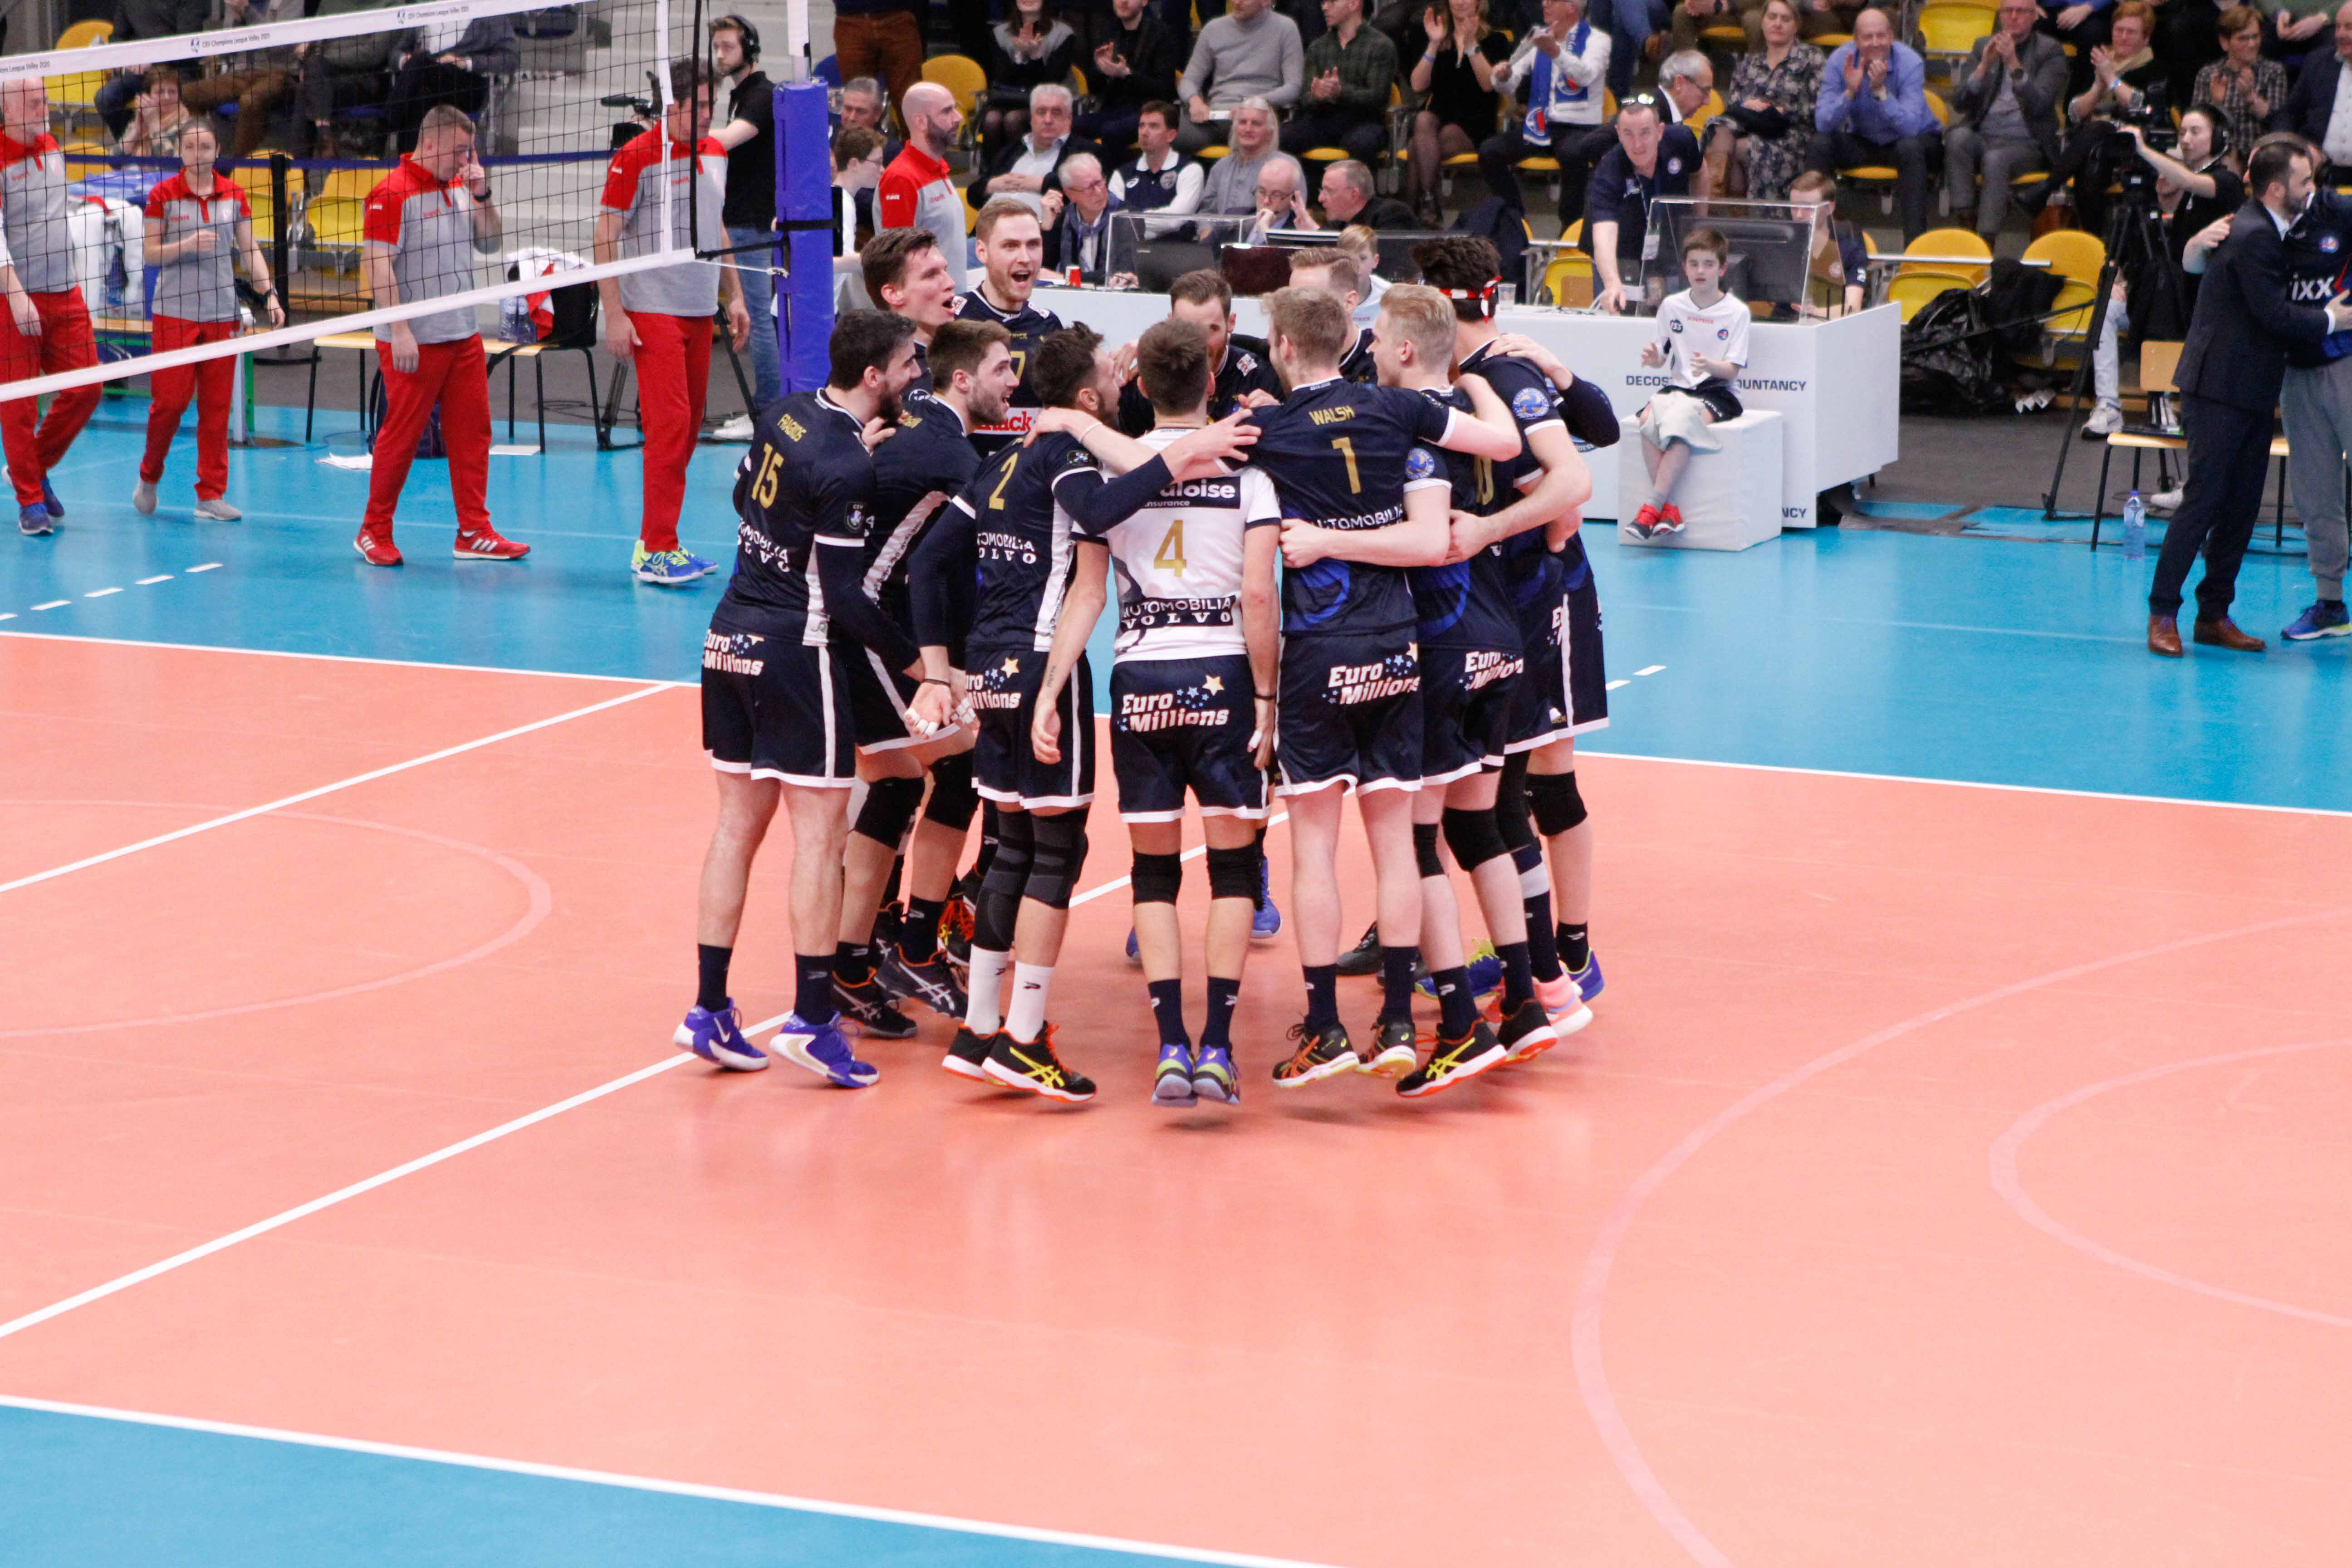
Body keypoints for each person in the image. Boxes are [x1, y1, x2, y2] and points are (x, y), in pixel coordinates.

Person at [906, 327, 1259, 1100]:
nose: (1121, 377)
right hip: (1043, 666)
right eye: (1109, 372)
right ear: (1090, 396)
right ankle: (1023, 1038)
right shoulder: (1066, 455)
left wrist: (939, 668)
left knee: (1009, 848)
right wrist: (1185, 451)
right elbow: (1098, 510)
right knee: (1054, 854)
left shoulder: (1002, 460)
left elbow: (929, 560)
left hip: (988, 668)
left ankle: (979, 1027)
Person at [1244, 285, 1523, 1086]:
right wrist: (1476, 378)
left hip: (1317, 650)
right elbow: (1501, 446)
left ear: (1283, 347)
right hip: (1397, 647)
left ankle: (1325, 1027)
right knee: (1397, 841)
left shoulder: (1268, 431)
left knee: (1314, 847)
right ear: (1349, 341)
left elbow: (1165, 460)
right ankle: (1399, 1018)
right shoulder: (1396, 409)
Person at [675, 311, 926, 1088]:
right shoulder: (848, 468)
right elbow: (847, 601)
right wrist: (920, 665)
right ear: (874, 377)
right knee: (820, 839)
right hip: (798, 650)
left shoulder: (783, 413)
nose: (916, 375)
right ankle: (815, 1023)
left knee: (734, 827)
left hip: (728, 637)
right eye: (907, 364)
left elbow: (741, 498)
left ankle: (708, 1009)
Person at [1034, 318, 1281, 1105]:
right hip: (1223, 676)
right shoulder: (1246, 476)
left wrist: (1050, 688)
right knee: (1234, 867)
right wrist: (1268, 700)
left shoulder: (1117, 479)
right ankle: (1218, 1048)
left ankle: (1171, 1043)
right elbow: (1257, 598)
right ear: (1211, 382)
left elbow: (1087, 593)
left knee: (1153, 872)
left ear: (1139, 386)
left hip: (1139, 678)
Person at [1373, 284, 1576, 1091]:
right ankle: (1525, 1000)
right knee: (1478, 825)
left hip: (1442, 642)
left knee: (1419, 837)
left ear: (1403, 349)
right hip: (1501, 636)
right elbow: (1558, 499)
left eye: (1377, 336)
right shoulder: (1482, 413)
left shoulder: (1407, 425)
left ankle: (1459, 1023)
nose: (1369, 349)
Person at [1410, 235, 1614, 1024]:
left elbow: (1572, 484)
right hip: (1503, 599)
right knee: (1507, 787)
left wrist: (1488, 531)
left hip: (1542, 596)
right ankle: (1528, 954)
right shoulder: (1468, 376)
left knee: (1539, 785)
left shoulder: (1502, 376)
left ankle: (1567, 956)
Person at [827, 321, 1018, 1039]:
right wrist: (937, 666)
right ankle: (906, 948)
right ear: (961, 380)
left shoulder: (914, 426)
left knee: (904, 781)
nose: (1014, 383)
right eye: (1002, 370)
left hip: (862, 620)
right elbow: (981, 545)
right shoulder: (949, 453)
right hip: (864, 627)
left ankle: (862, 959)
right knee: (952, 770)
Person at [2149, 137, 2352, 656]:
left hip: (2255, 390)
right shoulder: (2254, 234)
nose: (2312, 190)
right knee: (2203, 502)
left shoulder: (2269, 226)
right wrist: (2333, 318)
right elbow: (2274, 315)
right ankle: (2163, 613)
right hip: (2219, 390)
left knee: (2240, 509)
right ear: (2278, 188)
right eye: (2304, 182)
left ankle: (2214, 614)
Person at [597, 62, 754, 588]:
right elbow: (605, 236)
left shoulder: (714, 152)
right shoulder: (637, 156)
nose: (708, 116)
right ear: (671, 107)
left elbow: (718, 225)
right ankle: (657, 549)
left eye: (712, 105)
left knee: (687, 430)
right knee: (669, 426)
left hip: (699, 307)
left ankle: (656, 540)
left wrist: (735, 295)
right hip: (651, 308)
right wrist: (614, 313)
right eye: (698, 107)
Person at [353, 104, 523, 567]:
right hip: (414, 338)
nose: (466, 159)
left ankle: (474, 532)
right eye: (459, 151)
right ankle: (373, 530)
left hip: (462, 334)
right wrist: (401, 330)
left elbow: (491, 243)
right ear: (429, 144)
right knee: (401, 437)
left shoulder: (460, 186)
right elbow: (377, 265)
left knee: (473, 433)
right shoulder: (391, 193)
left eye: (471, 151)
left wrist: (483, 194)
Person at [133, 118, 282, 523]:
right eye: (190, 147)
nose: (197, 154)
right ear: (180, 152)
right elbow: (150, 253)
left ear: (217, 152)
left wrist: (269, 293)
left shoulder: (234, 194)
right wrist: (186, 244)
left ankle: (211, 495)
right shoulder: (163, 194)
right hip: (175, 311)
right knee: (170, 404)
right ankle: (149, 477)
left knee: (216, 408)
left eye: (205, 147)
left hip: (221, 311)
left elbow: (250, 250)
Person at [2083, 107, 2241, 435]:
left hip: (2205, 303)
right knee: (2109, 307)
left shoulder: (2225, 182)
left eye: (2195, 132)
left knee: (2165, 276)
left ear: (2219, 138)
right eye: (2182, 132)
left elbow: (2191, 181)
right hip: (2165, 300)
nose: (2186, 139)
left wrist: (2143, 150)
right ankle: (2108, 406)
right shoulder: (2158, 206)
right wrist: (2119, 280)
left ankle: (2162, 397)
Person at [0, 78, 99, 538]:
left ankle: (33, 467)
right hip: (15, 297)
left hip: (64, 290)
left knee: (87, 387)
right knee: (19, 404)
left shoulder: (54, 147)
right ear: (7, 109)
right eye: (32, 102)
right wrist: (16, 294)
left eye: (43, 100)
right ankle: (30, 500)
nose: (43, 108)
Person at [2266, 132, 2352, 640]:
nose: (2307, 184)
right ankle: (2331, 604)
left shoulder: (2337, 212)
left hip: (2347, 364)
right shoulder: (2264, 226)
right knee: (2316, 495)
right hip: (2297, 373)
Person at [1629, 226, 1747, 539]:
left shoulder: (1737, 312)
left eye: (1709, 264)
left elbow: (1732, 370)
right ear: (1684, 268)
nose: (1700, 271)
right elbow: (1662, 355)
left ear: (1723, 269)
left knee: (1682, 423)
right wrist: (1653, 357)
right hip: (1680, 388)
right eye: (1694, 264)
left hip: (1718, 391)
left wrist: (1709, 366)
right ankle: (1670, 512)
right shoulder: (1672, 306)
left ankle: (1652, 508)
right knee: (1647, 419)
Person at [2023, 0, 2167, 233]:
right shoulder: (2098, 63)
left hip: (2134, 146)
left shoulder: (2155, 68)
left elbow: (2144, 107)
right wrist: (2098, 87)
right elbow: (2074, 114)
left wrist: (2112, 80)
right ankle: (2094, 239)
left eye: (2131, 32)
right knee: (2091, 166)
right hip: (2095, 149)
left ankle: (2047, 186)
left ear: (2145, 39)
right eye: (2119, 30)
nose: (2123, 37)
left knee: (2098, 129)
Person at [1808, 9, 1940, 242]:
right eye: (1868, 37)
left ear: (1891, 36)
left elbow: (1910, 128)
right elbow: (1823, 123)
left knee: (1909, 148)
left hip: (1914, 141)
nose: (1875, 42)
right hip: (1864, 140)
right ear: (1856, 40)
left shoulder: (1910, 62)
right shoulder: (1840, 61)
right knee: (1820, 144)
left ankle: (1915, 247)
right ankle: (1817, 240)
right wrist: (1850, 92)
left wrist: (1880, 92)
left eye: (1881, 36)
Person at [1943, 0, 2066, 241]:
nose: (2014, 16)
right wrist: (1982, 68)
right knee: (1957, 138)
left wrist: (2013, 64)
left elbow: (2040, 106)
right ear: (2000, 15)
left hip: (2027, 144)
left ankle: (1986, 240)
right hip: (1984, 136)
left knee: (1996, 158)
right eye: (2008, 11)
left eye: (2022, 11)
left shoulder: (2050, 51)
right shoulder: (1983, 46)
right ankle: (1966, 224)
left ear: (2035, 16)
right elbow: (1959, 103)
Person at [1480, 0, 1612, 226]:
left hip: (1579, 127)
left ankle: (1571, 225)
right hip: (1539, 124)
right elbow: (1510, 82)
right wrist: (1502, 77)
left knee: (1573, 153)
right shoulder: (1536, 37)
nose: (1544, 3)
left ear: (1572, 7)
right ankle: (1514, 217)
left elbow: (1585, 76)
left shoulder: (1598, 40)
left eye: (1553, 0)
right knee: (1489, 151)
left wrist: (1555, 52)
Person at [710, 15, 780, 431]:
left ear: (749, 50)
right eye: (716, 47)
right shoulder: (741, 94)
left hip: (750, 222)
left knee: (756, 318)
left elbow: (728, 139)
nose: (720, 55)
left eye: (728, 47)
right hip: (735, 217)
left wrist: (674, 135)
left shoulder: (761, 95)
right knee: (751, 316)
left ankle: (768, 412)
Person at [1116, 268, 1288, 432]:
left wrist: (1277, 417)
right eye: (1186, 329)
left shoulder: (1260, 379)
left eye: (1211, 330)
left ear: (1231, 323)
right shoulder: (1153, 376)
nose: (1199, 343)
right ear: (1171, 322)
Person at [958, 199, 1067, 454]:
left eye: (1033, 245)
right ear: (982, 252)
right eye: (1010, 246)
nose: (1025, 258)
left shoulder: (1048, 324)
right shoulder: (952, 318)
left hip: (1025, 472)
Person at [1587, 95, 1700, 314]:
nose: (1637, 144)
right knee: (1617, 312)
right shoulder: (1608, 170)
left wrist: (1698, 221)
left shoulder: (1682, 141)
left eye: (1645, 133)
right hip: (1619, 256)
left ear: (1660, 131)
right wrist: (1612, 282)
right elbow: (1604, 235)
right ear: (1619, 133)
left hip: (1669, 249)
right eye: (1628, 134)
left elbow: (1700, 172)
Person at [1281, 0, 1400, 202]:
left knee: (1362, 144)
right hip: (1322, 119)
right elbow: (1304, 100)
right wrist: (1316, 95)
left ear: (1353, 4)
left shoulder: (1381, 45)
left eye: (1332, 2)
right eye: (1324, 2)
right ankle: (1297, 203)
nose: (1324, 7)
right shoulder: (1317, 47)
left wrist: (1341, 92)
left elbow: (1378, 98)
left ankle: (1361, 206)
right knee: (1284, 137)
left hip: (1364, 121)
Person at [1407, 0, 1514, 223]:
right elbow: (1417, 85)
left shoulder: (1496, 40)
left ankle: (1415, 213)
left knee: (1416, 147)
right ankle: (1428, 204)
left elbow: (1488, 85)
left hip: (1475, 123)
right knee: (1424, 118)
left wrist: (1472, 43)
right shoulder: (1439, 37)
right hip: (1437, 120)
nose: (1461, 2)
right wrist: (1434, 44)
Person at [1707, 0, 1824, 201]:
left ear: (1796, 26)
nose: (1778, 24)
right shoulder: (1748, 63)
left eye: (1785, 19)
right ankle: (1717, 201)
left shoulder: (1811, 59)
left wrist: (1781, 110)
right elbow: (1733, 107)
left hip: (1792, 135)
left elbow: (1819, 109)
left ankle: (1734, 208)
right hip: (1751, 128)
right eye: (1772, 17)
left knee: (1741, 148)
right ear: (1762, 23)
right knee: (1718, 129)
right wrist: (1747, 106)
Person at [1177, 0, 1307, 153]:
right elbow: (1189, 80)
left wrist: (1254, 103)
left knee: (1253, 133)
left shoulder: (1286, 28)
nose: (1237, 2)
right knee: (1172, 133)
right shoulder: (1213, 29)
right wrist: (1195, 101)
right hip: (1217, 115)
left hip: (1260, 113)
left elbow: (1294, 87)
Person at [877, 83, 969, 292]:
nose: (958, 118)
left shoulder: (938, 168)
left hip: (948, 299)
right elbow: (898, 259)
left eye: (955, 109)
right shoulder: (902, 178)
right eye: (947, 111)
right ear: (920, 122)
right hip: (929, 304)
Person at [385, 12, 516, 153]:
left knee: (419, 63)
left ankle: (388, 120)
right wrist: (404, 60)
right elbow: (396, 52)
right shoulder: (425, 10)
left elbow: (510, 59)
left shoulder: (490, 12)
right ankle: (412, 162)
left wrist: (466, 62)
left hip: (466, 83)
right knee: (420, 100)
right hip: (422, 80)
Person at [983, 83, 1102, 237]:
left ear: (1069, 118)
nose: (1048, 120)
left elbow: (1087, 189)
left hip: (1034, 238)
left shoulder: (1086, 151)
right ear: (1032, 118)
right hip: (987, 232)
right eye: (1041, 112)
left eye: (1056, 112)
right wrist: (991, 185)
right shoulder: (1013, 150)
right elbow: (974, 193)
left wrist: (1041, 184)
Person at [1081, 0, 1186, 157]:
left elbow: (1165, 90)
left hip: (1148, 109)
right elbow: (1094, 88)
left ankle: (1116, 173)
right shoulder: (1108, 30)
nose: (1123, 2)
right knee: (1072, 126)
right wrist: (1100, 69)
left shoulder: (1162, 34)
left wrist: (1127, 75)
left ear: (1144, 2)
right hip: (1112, 108)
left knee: (1112, 131)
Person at [862, 227, 962, 390]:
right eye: (930, 275)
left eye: (945, 270)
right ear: (894, 293)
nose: (950, 283)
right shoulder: (880, 377)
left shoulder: (971, 349)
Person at [981, 0, 1083, 155]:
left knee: (1013, 119)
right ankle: (995, 169)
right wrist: (1020, 56)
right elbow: (1002, 78)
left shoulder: (1063, 33)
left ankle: (1023, 165)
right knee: (991, 119)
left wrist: (1036, 56)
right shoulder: (1000, 33)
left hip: (1052, 101)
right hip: (1012, 99)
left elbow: (1052, 82)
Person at [2193, 7, 2286, 160]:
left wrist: (2251, 97)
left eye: (2255, 37)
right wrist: (2216, 103)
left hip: (2261, 156)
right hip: (2221, 155)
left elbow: (2278, 122)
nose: (2252, 44)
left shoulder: (2274, 72)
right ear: (2224, 42)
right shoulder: (2208, 75)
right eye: (2243, 39)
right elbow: (2197, 127)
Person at [1199, 99, 1307, 215]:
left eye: (1256, 124)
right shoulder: (1221, 167)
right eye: (1243, 122)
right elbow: (1207, 213)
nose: (1248, 129)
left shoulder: (1287, 166)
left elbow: (1296, 214)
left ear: (1270, 132)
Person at [1785, 168, 1869, 315]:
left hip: (1829, 324)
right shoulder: (1784, 247)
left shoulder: (1851, 252)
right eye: (1794, 207)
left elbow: (1853, 308)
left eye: (1808, 208)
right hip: (1784, 322)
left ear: (1829, 208)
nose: (1799, 215)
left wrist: (1814, 312)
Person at [2283, 0, 2352, 178]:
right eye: (2338, 27)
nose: (2341, 34)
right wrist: (2289, 147)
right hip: (2319, 174)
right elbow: (2289, 113)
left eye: (2349, 27)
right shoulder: (2317, 62)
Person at [832, 0, 925, 131]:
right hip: (849, 17)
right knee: (857, 100)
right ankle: (859, 144)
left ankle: (915, 144)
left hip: (898, 16)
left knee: (909, 100)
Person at [1289, 247, 1379, 376]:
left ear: (1349, 303)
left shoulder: (1379, 359)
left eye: (1311, 301)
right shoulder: (1284, 354)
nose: (1296, 312)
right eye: (1292, 300)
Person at [1052, 153, 1140, 284]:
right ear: (1070, 194)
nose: (1099, 192)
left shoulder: (1127, 217)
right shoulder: (1064, 217)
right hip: (1068, 292)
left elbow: (1120, 275)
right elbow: (1044, 270)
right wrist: (1047, 227)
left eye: (1099, 182)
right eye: (1089, 188)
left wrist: (1067, 278)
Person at [1113, 101, 1206, 220]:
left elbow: (1175, 219)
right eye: (1142, 126)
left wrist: (1132, 220)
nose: (1144, 133)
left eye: (1153, 126)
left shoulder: (1190, 170)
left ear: (1171, 135)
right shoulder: (1122, 174)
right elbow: (1113, 220)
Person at [118, 66, 195, 157]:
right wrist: (136, 132)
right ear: (148, 96)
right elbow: (114, 158)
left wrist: (154, 123)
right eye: (160, 92)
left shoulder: (189, 126)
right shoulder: (141, 119)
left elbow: (169, 161)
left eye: (172, 92)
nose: (166, 97)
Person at [1319, 157, 1419, 227]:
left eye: (1329, 191)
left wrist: (1314, 228)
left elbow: (1382, 250)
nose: (1321, 199)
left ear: (1354, 195)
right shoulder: (1339, 223)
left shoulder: (1392, 215)